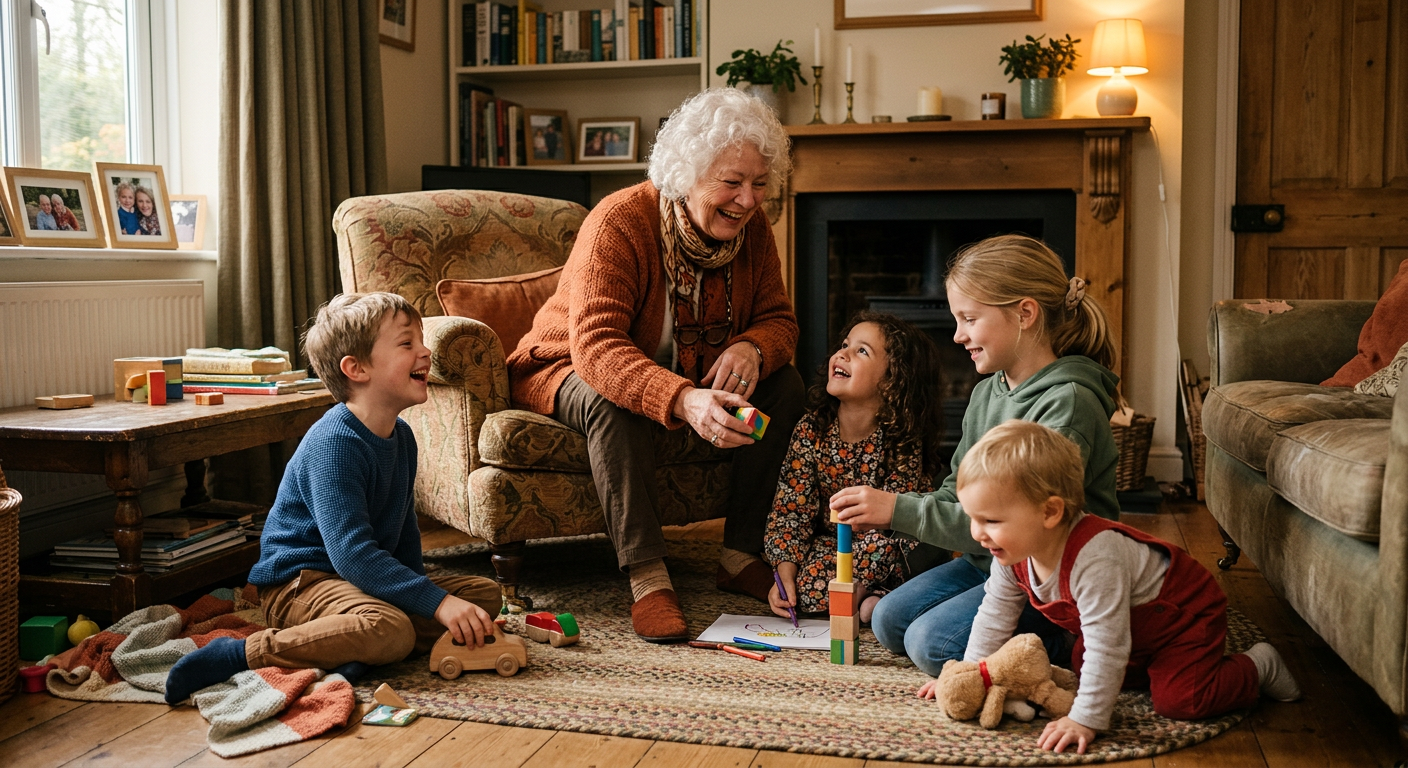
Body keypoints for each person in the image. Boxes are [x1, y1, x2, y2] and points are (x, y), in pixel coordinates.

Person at [507, 88, 805, 643]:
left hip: (683, 371)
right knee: (611, 401)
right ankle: (647, 574)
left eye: (760, 184)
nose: (747, 201)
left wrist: (754, 348)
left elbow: (780, 320)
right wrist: (684, 398)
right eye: (731, 182)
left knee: (785, 385)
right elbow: (597, 347)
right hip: (565, 365)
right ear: (687, 172)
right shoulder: (621, 220)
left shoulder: (754, 232)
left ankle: (740, 555)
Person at [163, 292, 502, 704]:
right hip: (302, 583)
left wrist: (428, 597)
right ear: (356, 368)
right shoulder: (336, 443)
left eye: (421, 341)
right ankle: (240, 653)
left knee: (484, 596)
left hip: (358, 581)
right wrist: (435, 604)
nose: (425, 351)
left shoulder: (403, 438)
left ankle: (348, 646)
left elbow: (404, 532)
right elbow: (352, 555)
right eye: (407, 343)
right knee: (392, 629)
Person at [832, 234, 1122, 676]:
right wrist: (898, 510)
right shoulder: (988, 392)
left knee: (930, 644)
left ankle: (1066, 639)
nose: (957, 334)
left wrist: (898, 510)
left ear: (1025, 313)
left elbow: (1021, 526)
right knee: (890, 621)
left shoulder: (1068, 403)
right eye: (956, 318)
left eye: (969, 318)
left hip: (1050, 581)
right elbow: (958, 491)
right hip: (993, 564)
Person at [921, 420, 1301, 754]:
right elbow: (995, 612)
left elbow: (1109, 643)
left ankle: (1257, 665)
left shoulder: (1095, 558)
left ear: (1050, 512)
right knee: (1087, 673)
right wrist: (970, 674)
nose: (977, 533)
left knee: (1180, 698)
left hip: (1182, 619)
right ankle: (1148, 667)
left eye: (990, 519)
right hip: (1128, 627)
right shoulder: (1012, 551)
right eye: (972, 517)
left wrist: (1086, 719)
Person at [764, 311, 943, 622]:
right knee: (805, 574)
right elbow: (791, 511)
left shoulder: (901, 438)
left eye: (862, 351)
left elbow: (895, 520)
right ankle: (868, 596)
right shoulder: (811, 429)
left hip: (886, 538)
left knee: (915, 549)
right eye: (845, 345)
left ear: (891, 381)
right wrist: (785, 576)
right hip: (830, 544)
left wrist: (856, 560)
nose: (842, 353)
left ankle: (877, 597)